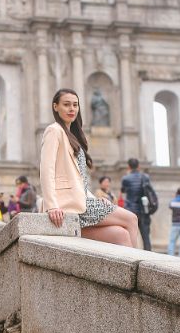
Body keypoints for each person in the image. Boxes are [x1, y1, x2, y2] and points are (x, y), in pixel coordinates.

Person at [40, 89, 138, 247]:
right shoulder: (54, 131)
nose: (72, 109)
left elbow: (79, 180)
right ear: (55, 107)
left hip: (83, 202)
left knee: (122, 235)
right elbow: (47, 170)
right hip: (68, 206)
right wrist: (51, 206)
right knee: (131, 219)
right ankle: (143, 268)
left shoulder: (71, 135)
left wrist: (94, 198)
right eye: (66, 105)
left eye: (75, 105)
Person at [121, 157, 157, 251]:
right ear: (139, 166)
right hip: (143, 209)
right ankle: (148, 256)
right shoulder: (145, 177)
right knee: (145, 236)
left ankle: (131, 254)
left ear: (128, 166)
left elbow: (123, 190)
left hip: (131, 210)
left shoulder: (126, 178)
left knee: (131, 235)